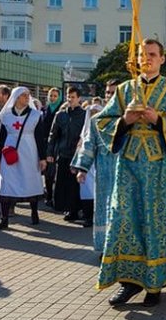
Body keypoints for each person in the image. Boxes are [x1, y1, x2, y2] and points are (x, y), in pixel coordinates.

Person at [93, 38, 166, 307]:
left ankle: (154, 285)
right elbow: (101, 122)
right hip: (128, 167)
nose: (146, 58)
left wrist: (158, 120)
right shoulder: (125, 90)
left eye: (152, 54)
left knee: (155, 223)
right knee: (124, 221)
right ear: (137, 59)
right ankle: (128, 283)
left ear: (162, 59)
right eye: (142, 54)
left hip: (159, 169)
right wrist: (125, 121)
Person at [0, 87, 47, 231]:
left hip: (29, 152)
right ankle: (4, 219)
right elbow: (0, 137)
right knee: (6, 184)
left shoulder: (35, 115)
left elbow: (40, 137)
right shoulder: (6, 116)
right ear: (15, 98)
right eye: (23, 96)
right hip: (9, 154)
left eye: (28, 95)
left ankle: (34, 212)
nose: (27, 98)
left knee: (30, 181)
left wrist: (43, 157)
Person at [71, 80, 118, 249]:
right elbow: (89, 143)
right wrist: (82, 168)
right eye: (107, 92)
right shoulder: (97, 119)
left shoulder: (130, 119)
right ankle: (104, 247)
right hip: (104, 171)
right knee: (103, 208)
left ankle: (122, 248)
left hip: (125, 173)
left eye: (113, 92)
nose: (110, 96)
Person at [47, 86, 84, 221]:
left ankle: (75, 209)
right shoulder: (60, 115)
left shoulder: (84, 115)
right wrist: (50, 152)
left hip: (77, 154)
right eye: (68, 96)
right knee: (62, 183)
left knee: (75, 184)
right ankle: (66, 208)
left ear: (79, 98)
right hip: (63, 153)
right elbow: (53, 135)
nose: (70, 99)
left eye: (73, 97)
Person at [73, 104, 102, 228]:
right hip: (86, 167)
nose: (93, 114)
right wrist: (76, 164)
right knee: (86, 192)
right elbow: (80, 148)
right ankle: (88, 218)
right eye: (91, 112)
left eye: (96, 111)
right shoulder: (85, 130)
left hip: (101, 165)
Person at [41, 88, 62, 207]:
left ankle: (55, 197)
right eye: (51, 96)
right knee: (47, 172)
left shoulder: (61, 109)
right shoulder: (45, 110)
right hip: (45, 144)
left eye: (55, 96)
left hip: (56, 144)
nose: (52, 98)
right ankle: (48, 195)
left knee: (55, 172)